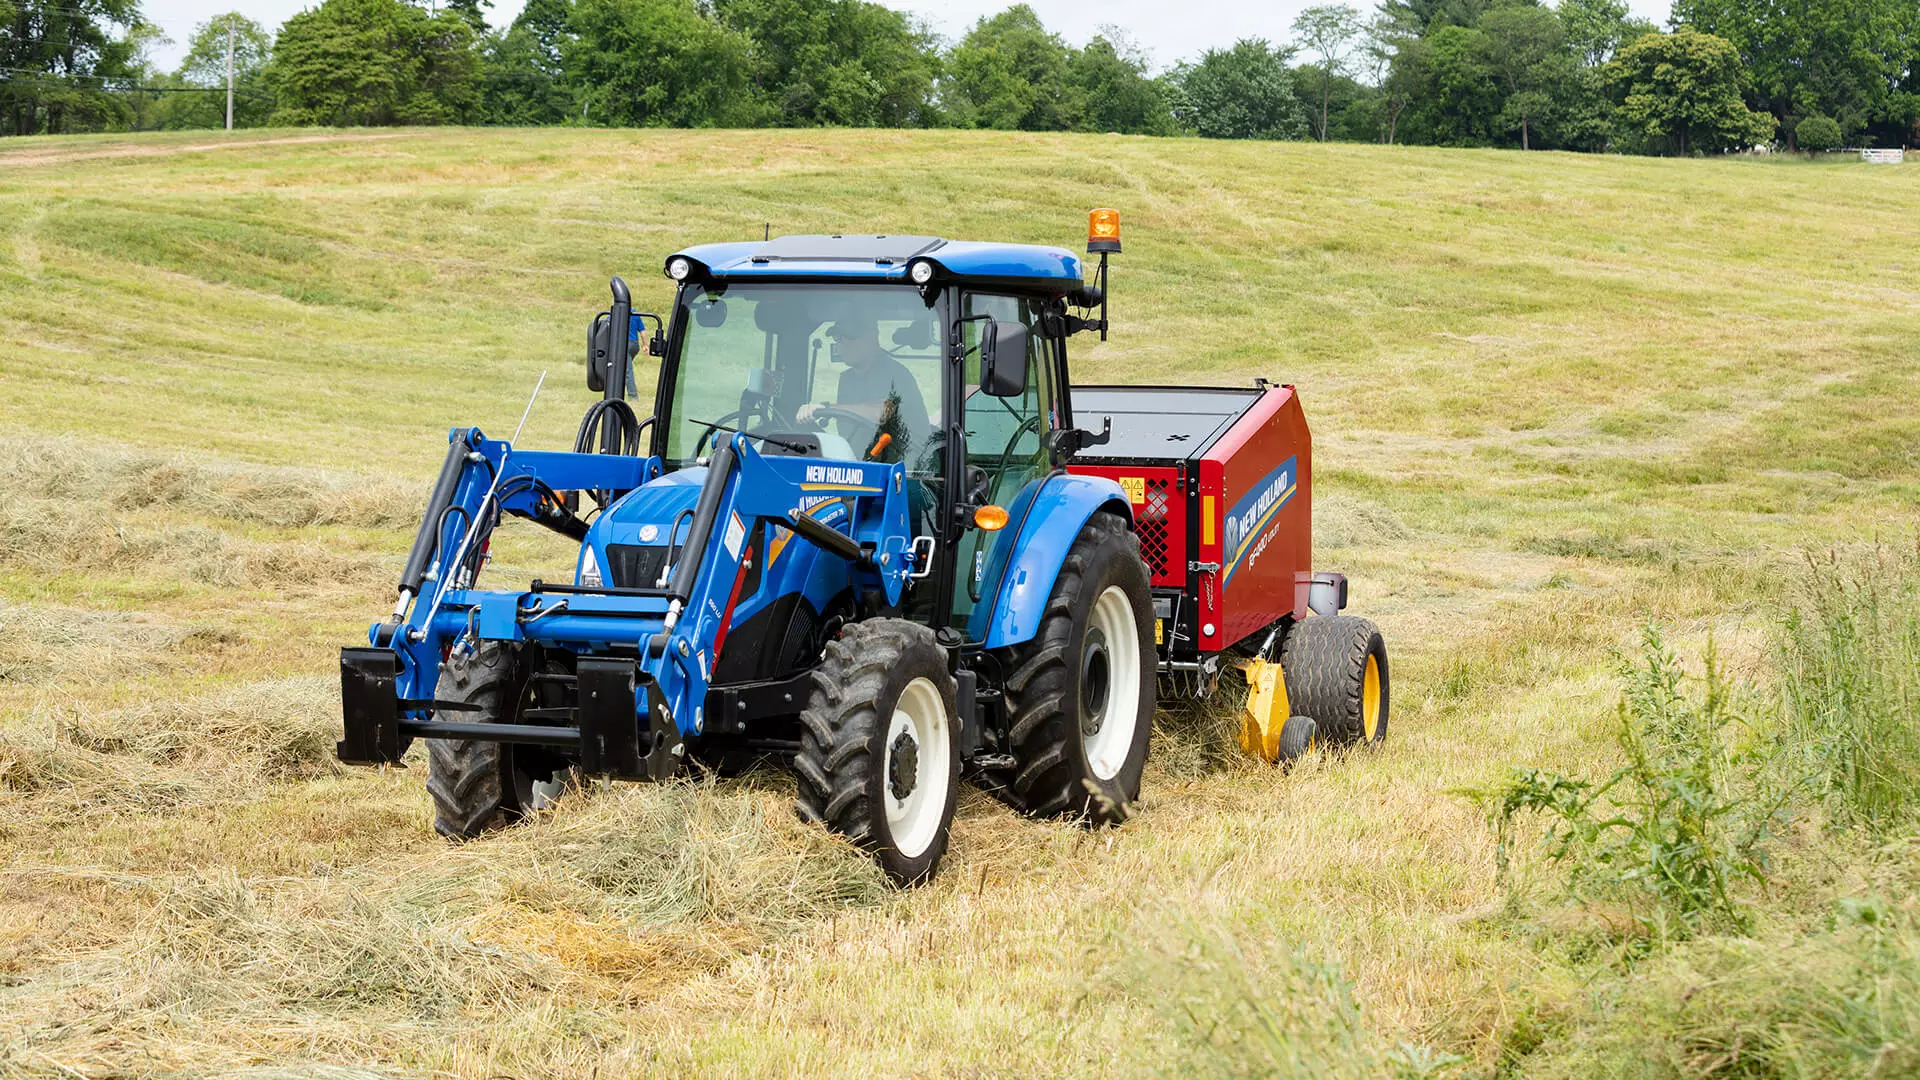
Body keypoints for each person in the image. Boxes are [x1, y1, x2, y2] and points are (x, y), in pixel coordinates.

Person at [796, 315, 931, 462]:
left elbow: (883, 413)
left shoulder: (895, 373)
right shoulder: (847, 380)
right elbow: (851, 436)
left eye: (849, 336)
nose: (842, 343)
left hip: (907, 469)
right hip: (866, 465)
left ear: (872, 336)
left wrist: (829, 408)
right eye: (838, 338)